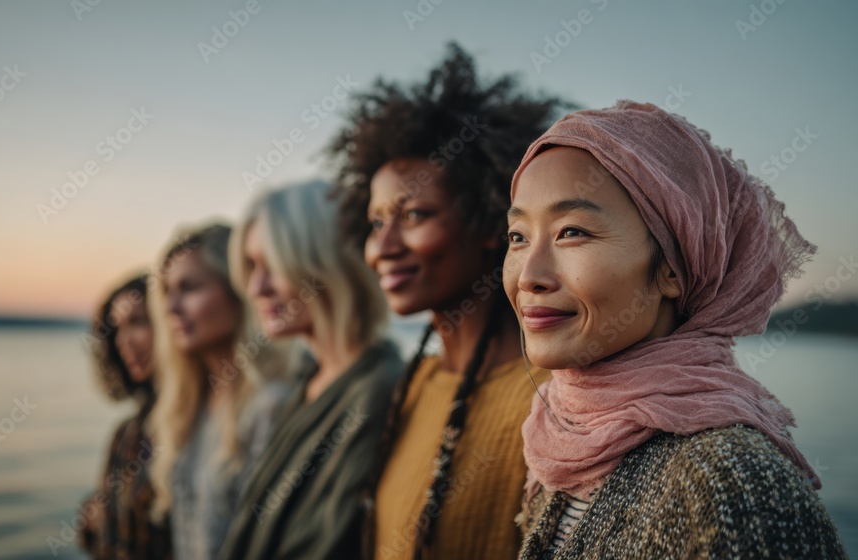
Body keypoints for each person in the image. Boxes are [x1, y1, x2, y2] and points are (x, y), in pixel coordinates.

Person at [504, 101, 846, 558]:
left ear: (673, 268)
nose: (529, 275)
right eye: (518, 237)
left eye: (572, 232)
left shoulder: (735, 483)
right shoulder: (558, 435)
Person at [327, 42, 566, 560]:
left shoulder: (553, 399)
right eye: (375, 223)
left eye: (414, 216)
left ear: (488, 221)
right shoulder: (416, 384)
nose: (384, 248)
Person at [220, 180, 402, 560]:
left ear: (325, 263)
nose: (256, 286)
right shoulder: (310, 379)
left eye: (273, 264)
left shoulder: (376, 388)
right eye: (252, 266)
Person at [147, 224, 291, 560]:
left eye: (190, 288)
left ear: (237, 291)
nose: (171, 307)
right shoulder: (187, 406)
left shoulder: (271, 405)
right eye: (167, 291)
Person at [80, 274, 173, 559]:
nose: (124, 341)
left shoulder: (197, 423)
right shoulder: (127, 433)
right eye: (117, 328)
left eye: (137, 322)